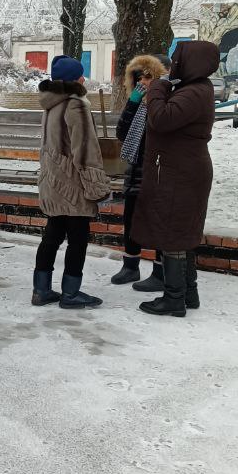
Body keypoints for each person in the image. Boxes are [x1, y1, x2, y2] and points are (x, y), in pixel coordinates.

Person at [131, 40, 221, 317]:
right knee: (182, 233)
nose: (175, 63)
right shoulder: (195, 89)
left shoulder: (194, 92)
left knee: (173, 233)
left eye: (179, 58)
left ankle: (173, 299)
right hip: (181, 169)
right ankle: (187, 294)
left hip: (180, 172)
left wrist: (158, 87)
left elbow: (161, 119)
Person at [31, 55, 110, 309]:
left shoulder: (50, 103)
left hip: (52, 180)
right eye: (80, 75)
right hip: (73, 184)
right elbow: (85, 150)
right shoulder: (75, 104)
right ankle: (71, 293)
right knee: (78, 238)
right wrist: (97, 187)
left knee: (52, 235)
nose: (84, 79)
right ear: (76, 79)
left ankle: (41, 290)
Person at [111, 53, 172, 290]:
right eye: (138, 78)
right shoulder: (137, 100)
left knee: (157, 220)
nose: (142, 83)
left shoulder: (165, 100)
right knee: (132, 218)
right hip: (136, 168)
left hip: (158, 169)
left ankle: (159, 270)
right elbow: (122, 133)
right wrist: (133, 102)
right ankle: (130, 266)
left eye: (147, 77)